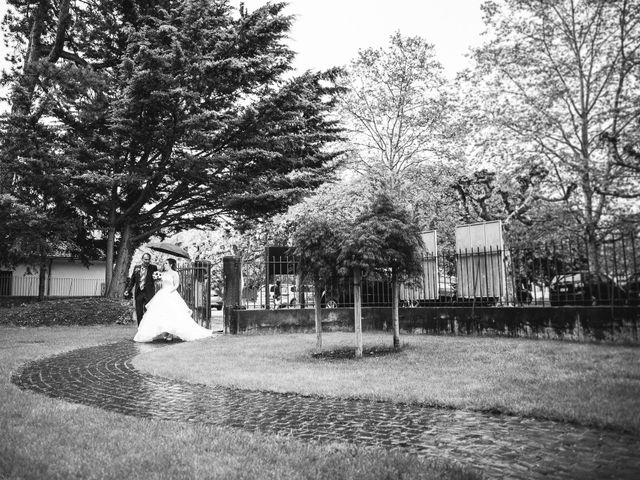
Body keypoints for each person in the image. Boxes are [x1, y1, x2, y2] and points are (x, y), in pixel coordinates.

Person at [133, 258, 213, 342]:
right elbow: (160, 284)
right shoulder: (162, 273)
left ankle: (170, 333)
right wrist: (158, 281)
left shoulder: (174, 273)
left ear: (170, 265)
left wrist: (170, 291)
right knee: (162, 313)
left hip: (171, 294)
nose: (164, 265)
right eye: (164, 264)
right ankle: (165, 332)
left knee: (172, 313)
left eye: (166, 263)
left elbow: (176, 284)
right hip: (162, 294)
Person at [124, 253, 158, 325]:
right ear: (142, 259)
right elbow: (132, 281)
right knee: (139, 312)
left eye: (148, 259)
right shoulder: (136, 267)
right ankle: (140, 328)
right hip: (139, 292)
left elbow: (157, 279)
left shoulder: (154, 268)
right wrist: (127, 290)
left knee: (148, 311)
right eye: (145, 259)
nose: (147, 261)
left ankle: (148, 327)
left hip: (149, 292)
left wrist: (157, 278)